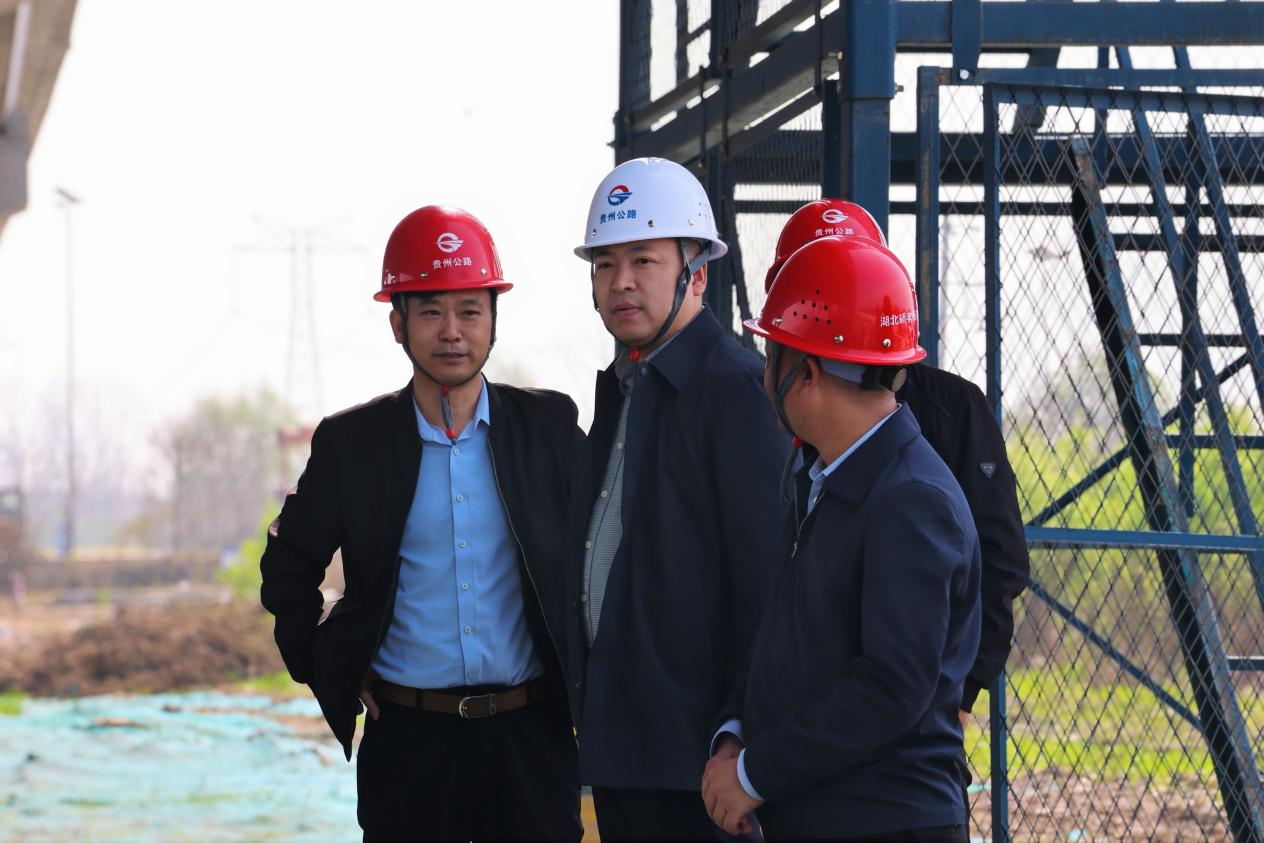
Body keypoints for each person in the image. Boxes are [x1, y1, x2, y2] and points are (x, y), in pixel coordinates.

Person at [259, 205, 584, 841]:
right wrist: (329, 665)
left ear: (494, 319)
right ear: (397, 323)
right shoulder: (353, 445)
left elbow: (605, 557)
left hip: (530, 738)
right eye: (431, 311)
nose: (452, 332)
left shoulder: (547, 430)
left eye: (470, 311)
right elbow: (287, 565)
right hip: (409, 743)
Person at [703, 234, 982, 840]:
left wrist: (754, 774)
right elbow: (788, 637)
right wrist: (736, 735)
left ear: (804, 373)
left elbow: (891, 687)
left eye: (771, 356)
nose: (763, 376)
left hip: (885, 822)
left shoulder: (911, 500)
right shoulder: (827, 478)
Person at [762, 198, 1030, 790]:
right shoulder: (788, 420)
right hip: (812, 740)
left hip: (894, 753)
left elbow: (1000, 561)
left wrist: (958, 695)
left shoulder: (946, 418)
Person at [563, 157, 788, 840]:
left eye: (644, 260)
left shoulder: (737, 392)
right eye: (605, 263)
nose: (621, 282)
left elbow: (770, 591)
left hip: (703, 767)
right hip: (625, 752)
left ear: (698, 271)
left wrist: (740, 740)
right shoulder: (625, 388)